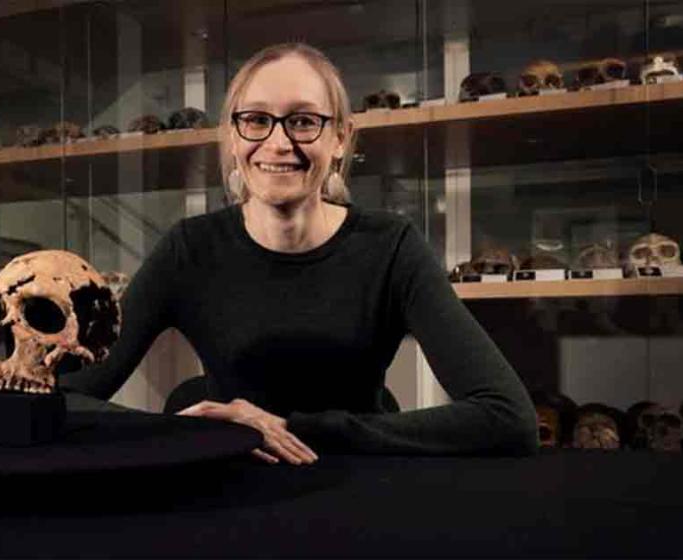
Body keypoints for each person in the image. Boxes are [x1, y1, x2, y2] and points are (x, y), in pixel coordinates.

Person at [62, 42, 538, 465]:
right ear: (233, 135)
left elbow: (507, 417)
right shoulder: (189, 248)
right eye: (255, 120)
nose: (278, 142)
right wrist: (181, 429)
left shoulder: (391, 247)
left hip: (360, 476)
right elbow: (58, 399)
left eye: (304, 121)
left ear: (340, 139)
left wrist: (301, 429)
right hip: (233, 486)